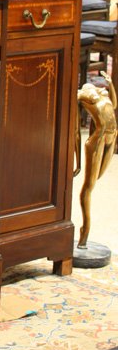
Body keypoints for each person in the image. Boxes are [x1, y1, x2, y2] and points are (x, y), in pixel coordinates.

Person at [75, 70, 117, 248]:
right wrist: (77, 163)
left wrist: (111, 84)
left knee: (97, 179)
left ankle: (86, 231)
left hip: (112, 135)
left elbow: (113, 106)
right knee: (89, 186)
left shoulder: (102, 91)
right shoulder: (81, 96)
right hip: (97, 140)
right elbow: (76, 131)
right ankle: (85, 230)